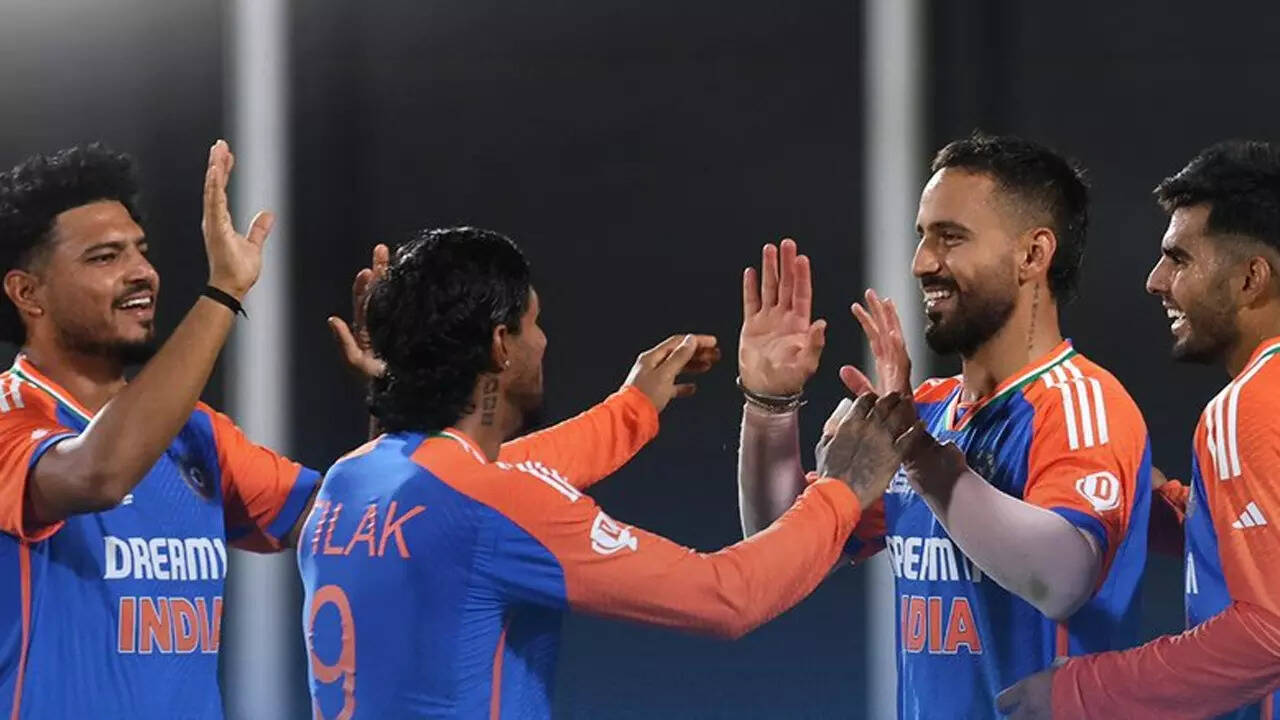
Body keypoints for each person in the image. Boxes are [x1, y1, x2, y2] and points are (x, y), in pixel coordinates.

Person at [297, 226, 923, 719]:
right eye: (533, 323)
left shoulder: (350, 481)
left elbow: (505, 472)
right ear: (500, 345)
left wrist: (633, 408)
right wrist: (842, 487)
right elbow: (726, 596)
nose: (544, 342)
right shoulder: (494, 504)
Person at [736, 134, 1152, 718]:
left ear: (1033, 255)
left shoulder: (1081, 404)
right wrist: (771, 405)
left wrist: (918, 455)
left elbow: (1061, 580)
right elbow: (777, 555)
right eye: (922, 236)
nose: (922, 262)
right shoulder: (927, 410)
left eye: (950, 237)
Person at [0, 141, 326, 719]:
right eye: (105, 257)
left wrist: (400, 396)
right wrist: (223, 293)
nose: (142, 273)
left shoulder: (195, 432)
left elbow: (348, 526)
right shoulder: (11, 418)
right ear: (28, 293)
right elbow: (98, 474)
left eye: (141, 251)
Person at [998, 141, 1280, 719]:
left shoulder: (1246, 405)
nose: (1156, 281)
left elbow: (1268, 633)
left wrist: (1082, 690)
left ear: (1251, 278)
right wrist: (1171, 508)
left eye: (1179, 259)